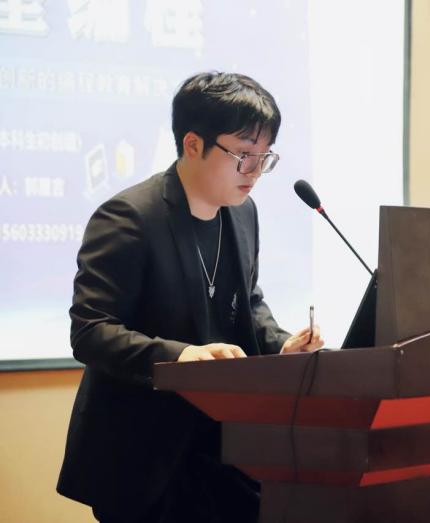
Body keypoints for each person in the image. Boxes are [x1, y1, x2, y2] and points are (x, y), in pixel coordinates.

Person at [56, 72, 324, 523]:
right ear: (193, 144)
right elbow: (91, 331)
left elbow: (247, 301)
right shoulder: (129, 218)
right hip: (145, 456)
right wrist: (180, 357)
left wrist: (281, 345)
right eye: (243, 155)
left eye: (265, 157)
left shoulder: (243, 213)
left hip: (225, 446)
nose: (255, 172)